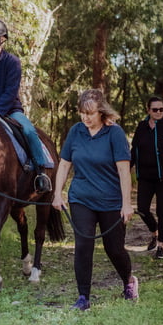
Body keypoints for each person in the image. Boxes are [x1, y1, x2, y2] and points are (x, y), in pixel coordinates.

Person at [52, 89, 138, 311]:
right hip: (81, 198)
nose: (85, 118)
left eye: (90, 113)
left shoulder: (114, 134)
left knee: (115, 249)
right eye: (82, 113)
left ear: (101, 112)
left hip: (111, 201)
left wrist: (127, 203)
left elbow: (124, 171)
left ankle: (129, 281)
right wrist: (57, 193)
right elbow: (64, 164)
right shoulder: (76, 132)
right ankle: (83, 297)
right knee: (83, 246)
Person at [0, 19, 52, 194]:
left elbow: (10, 91)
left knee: (29, 131)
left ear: (2, 40)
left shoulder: (12, 62)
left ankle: (41, 172)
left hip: (10, 110)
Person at [130, 96, 163, 260]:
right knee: (142, 209)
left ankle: (161, 246)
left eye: (161, 109)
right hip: (145, 177)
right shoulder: (141, 128)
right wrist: (126, 167)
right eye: (155, 109)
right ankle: (155, 232)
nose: (159, 112)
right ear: (148, 110)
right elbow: (134, 150)